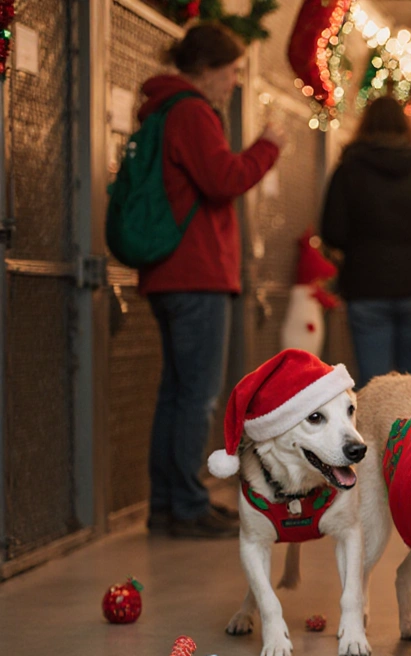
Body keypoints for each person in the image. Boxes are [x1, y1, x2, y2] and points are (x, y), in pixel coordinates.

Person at [139, 23, 282, 538]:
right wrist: (266, 147)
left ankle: (170, 502)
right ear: (207, 68)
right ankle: (186, 505)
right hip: (195, 271)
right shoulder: (192, 111)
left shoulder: (164, 108)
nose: (235, 81)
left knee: (176, 393)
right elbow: (224, 179)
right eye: (232, 70)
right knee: (195, 395)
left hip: (170, 272)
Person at [321, 96, 411, 388]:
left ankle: (375, 435)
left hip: (367, 287)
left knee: (373, 385)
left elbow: (332, 231)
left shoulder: (347, 172)